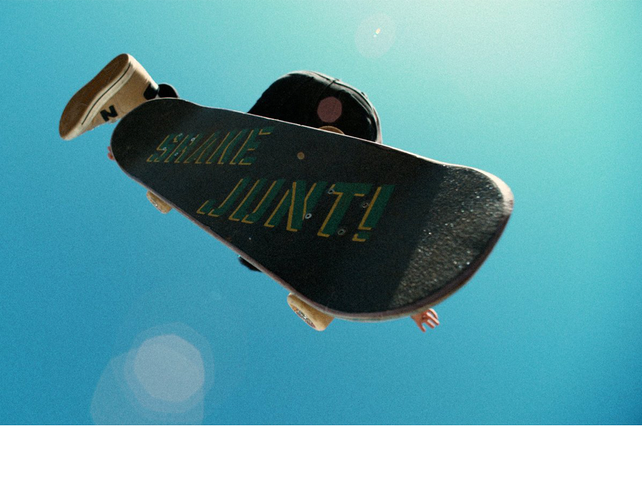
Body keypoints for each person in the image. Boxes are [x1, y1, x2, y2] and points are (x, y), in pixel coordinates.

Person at [61, 53, 439, 333]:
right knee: (288, 218)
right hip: (352, 124)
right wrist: (412, 300)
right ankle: (321, 155)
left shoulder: (272, 202)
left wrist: (147, 156)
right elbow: (386, 237)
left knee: (221, 165)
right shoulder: (333, 227)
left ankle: (138, 100)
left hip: (292, 93)